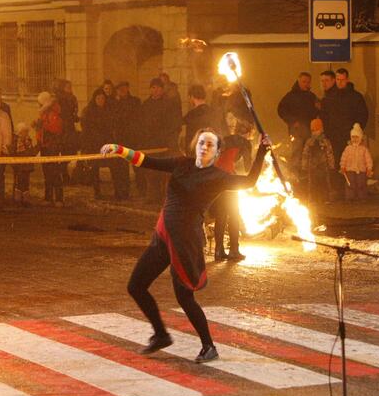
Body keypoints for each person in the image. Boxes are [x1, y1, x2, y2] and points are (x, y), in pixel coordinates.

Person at [101, 129, 269, 363]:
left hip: (186, 242)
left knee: (184, 298)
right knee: (136, 286)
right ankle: (160, 335)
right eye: (202, 142)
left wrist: (262, 150)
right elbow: (145, 161)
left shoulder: (217, 176)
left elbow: (249, 181)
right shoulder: (181, 163)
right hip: (164, 236)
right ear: (195, 144)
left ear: (217, 152)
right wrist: (119, 149)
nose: (204, 147)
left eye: (210, 145)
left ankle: (209, 346)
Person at [320, 68, 368, 198]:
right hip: (334, 136)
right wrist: (327, 132)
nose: (340, 82)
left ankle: (352, 190)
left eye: (342, 80)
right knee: (336, 163)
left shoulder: (356, 97)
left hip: (350, 137)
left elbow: (362, 115)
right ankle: (337, 189)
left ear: (347, 79)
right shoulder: (329, 97)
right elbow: (324, 116)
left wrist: (357, 132)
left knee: (351, 164)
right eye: (338, 80)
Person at [211, 122, 252, 261]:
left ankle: (218, 250)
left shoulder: (225, 139)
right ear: (249, 133)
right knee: (234, 214)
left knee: (221, 215)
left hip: (216, 179)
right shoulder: (245, 143)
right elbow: (247, 168)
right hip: (229, 180)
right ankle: (234, 250)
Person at [139, 77, 182, 203]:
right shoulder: (146, 105)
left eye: (158, 88)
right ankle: (152, 196)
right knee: (151, 172)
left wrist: (170, 139)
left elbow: (174, 123)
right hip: (150, 143)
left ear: (162, 89)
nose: (156, 90)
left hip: (165, 143)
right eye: (153, 88)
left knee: (165, 172)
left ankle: (165, 197)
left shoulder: (169, 104)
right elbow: (141, 123)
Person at [277, 72, 318, 181]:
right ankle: (294, 178)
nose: (306, 84)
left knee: (309, 155)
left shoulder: (312, 97)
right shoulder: (290, 96)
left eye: (308, 82)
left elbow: (317, 111)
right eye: (304, 81)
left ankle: (308, 179)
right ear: (299, 81)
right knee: (296, 154)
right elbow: (281, 110)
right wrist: (292, 121)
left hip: (310, 131)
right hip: (297, 132)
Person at [81, 88, 117, 199]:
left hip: (107, 143)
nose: (101, 100)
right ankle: (97, 191)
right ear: (94, 99)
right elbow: (86, 129)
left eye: (102, 98)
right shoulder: (89, 111)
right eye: (98, 98)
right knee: (94, 168)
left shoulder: (109, 110)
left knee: (113, 166)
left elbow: (112, 126)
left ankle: (116, 191)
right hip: (94, 144)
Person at [112, 81, 141, 200]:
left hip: (133, 138)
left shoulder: (135, 101)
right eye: (119, 89)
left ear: (127, 88)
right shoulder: (115, 104)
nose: (121, 91)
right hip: (120, 138)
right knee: (121, 168)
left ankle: (141, 190)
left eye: (123, 88)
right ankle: (123, 192)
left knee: (137, 166)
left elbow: (138, 118)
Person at [34, 91, 64, 205]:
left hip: (52, 146)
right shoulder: (44, 114)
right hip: (45, 145)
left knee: (54, 172)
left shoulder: (53, 113)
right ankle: (48, 197)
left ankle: (59, 199)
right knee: (47, 172)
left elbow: (56, 129)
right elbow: (41, 130)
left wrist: (42, 126)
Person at [301, 118, 335, 204]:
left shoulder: (325, 142)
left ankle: (326, 198)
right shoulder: (309, 142)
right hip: (312, 167)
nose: (315, 132)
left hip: (323, 166)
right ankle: (313, 198)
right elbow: (305, 154)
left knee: (325, 182)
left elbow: (329, 153)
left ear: (321, 130)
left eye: (317, 130)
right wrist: (304, 165)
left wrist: (331, 164)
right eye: (313, 130)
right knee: (312, 183)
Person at [340, 123, 373, 200]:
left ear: (360, 138)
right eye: (353, 137)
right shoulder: (348, 148)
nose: (354, 139)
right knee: (350, 184)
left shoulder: (364, 149)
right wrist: (342, 166)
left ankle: (361, 197)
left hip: (361, 170)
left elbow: (368, 159)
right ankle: (350, 197)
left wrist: (369, 168)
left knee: (361, 184)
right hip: (350, 170)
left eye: (356, 137)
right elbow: (344, 158)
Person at [12, 122, 37, 206]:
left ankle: (25, 199)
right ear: (19, 132)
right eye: (23, 131)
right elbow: (14, 153)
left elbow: (32, 152)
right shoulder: (16, 142)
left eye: (26, 131)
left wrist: (36, 148)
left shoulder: (29, 141)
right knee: (18, 182)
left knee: (26, 183)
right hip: (19, 166)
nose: (25, 133)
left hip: (27, 166)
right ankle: (17, 199)